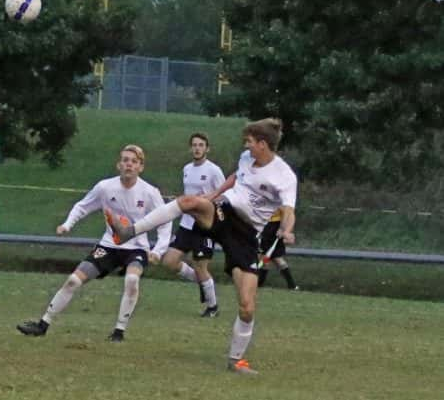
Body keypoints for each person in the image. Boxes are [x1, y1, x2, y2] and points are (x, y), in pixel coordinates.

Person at [106, 118, 297, 374]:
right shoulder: (245, 158)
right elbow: (234, 178)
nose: (246, 145)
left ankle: (236, 360)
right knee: (188, 202)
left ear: (263, 144)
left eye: (250, 142)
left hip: (247, 235)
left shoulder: (284, 176)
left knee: (247, 306)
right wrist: (212, 196)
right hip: (224, 212)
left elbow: (288, 210)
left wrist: (286, 230)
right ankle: (129, 231)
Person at [16, 145, 172, 342]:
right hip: (108, 246)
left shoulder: (150, 192)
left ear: (141, 167)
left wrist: (158, 250)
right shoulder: (105, 187)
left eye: (134, 161)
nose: (128, 164)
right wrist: (67, 225)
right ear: (118, 164)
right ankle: (42, 324)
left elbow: (165, 221)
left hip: (136, 249)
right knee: (73, 280)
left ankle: (118, 332)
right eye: (125, 160)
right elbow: (82, 206)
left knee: (132, 280)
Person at [160, 133, 225, 317]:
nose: (197, 148)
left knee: (200, 266)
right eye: (194, 145)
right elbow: (188, 194)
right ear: (191, 148)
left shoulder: (213, 170)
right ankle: (202, 283)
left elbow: (223, 195)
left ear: (207, 148)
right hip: (186, 224)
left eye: (201, 145)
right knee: (169, 261)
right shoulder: (187, 168)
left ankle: (212, 307)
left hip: (205, 226)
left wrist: (206, 203)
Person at [257, 209, 299, 290]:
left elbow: (285, 212)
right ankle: (292, 285)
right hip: (267, 225)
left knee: (269, 258)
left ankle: (292, 285)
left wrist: (281, 228)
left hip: (273, 227)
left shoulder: (280, 199)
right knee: (268, 258)